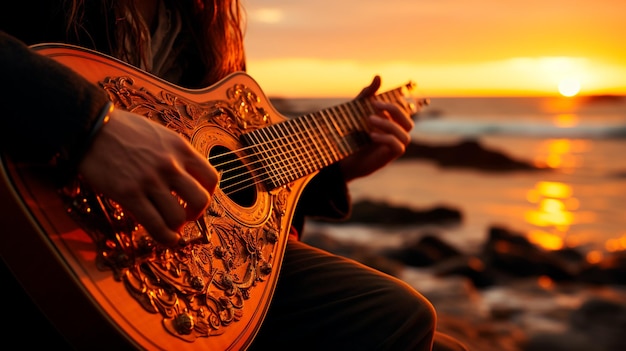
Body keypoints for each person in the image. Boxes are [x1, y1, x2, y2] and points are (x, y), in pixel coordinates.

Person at [0, 1, 468, 350]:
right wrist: (89, 124)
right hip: (42, 237)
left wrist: (333, 168)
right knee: (396, 314)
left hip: (179, 264)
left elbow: (228, 169)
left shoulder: (207, 17)